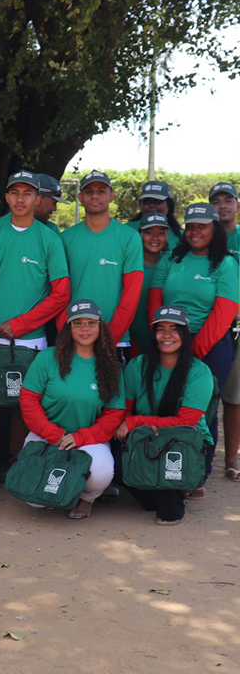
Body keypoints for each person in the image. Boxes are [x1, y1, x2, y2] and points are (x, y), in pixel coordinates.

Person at [0, 170, 70, 497]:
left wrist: (21, 324)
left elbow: (61, 294)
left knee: (24, 407)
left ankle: (17, 469)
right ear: (7, 197)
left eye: (28, 193)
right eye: (15, 193)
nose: (21, 199)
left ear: (37, 199)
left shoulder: (48, 238)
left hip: (29, 342)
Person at [148, 202, 239, 491]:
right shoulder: (171, 260)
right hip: (167, 341)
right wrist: (163, 338)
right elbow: (155, 302)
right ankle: (161, 463)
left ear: (215, 228)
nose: (195, 230)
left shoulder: (225, 264)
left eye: (202, 225)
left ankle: (198, 471)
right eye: (190, 225)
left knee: (202, 410)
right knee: (165, 403)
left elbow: (224, 313)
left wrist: (192, 352)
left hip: (209, 346)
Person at [19, 300, 124, 519]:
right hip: (47, 436)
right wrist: (54, 435)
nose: (85, 328)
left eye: (90, 323)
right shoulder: (48, 357)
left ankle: (86, 499)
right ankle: (57, 495)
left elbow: (114, 413)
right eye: (78, 323)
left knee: (101, 473)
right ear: (69, 328)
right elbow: (28, 400)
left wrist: (81, 437)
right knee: (33, 500)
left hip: (88, 438)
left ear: (100, 327)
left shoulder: (110, 365)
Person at [116, 305, 214, 524]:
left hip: (188, 442)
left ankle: (174, 493)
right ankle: (167, 491)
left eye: (175, 329)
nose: (167, 335)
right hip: (145, 439)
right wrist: (137, 425)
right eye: (161, 329)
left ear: (185, 334)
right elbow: (126, 409)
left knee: (166, 500)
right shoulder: (137, 366)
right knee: (130, 479)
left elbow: (185, 423)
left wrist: (139, 421)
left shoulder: (199, 372)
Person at [60, 170, 143, 351]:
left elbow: (131, 294)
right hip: (73, 338)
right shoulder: (65, 238)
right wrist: (65, 333)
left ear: (112, 196)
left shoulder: (129, 237)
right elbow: (59, 293)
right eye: (89, 192)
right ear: (80, 197)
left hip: (115, 340)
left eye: (101, 191)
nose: (95, 196)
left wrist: (109, 337)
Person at [130, 214, 173, 355]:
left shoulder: (173, 268)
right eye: (149, 232)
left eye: (161, 233)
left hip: (164, 340)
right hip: (131, 338)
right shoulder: (129, 265)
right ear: (140, 234)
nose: (155, 238)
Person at [127, 180, 182, 250]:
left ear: (169, 205)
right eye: (147, 201)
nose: (151, 205)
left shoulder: (181, 237)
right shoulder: (126, 231)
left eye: (158, 201)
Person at [208, 182, 239, 260]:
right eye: (216, 202)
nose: (222, 206)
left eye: (228, 201)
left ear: (238, 206)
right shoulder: (201, 238)